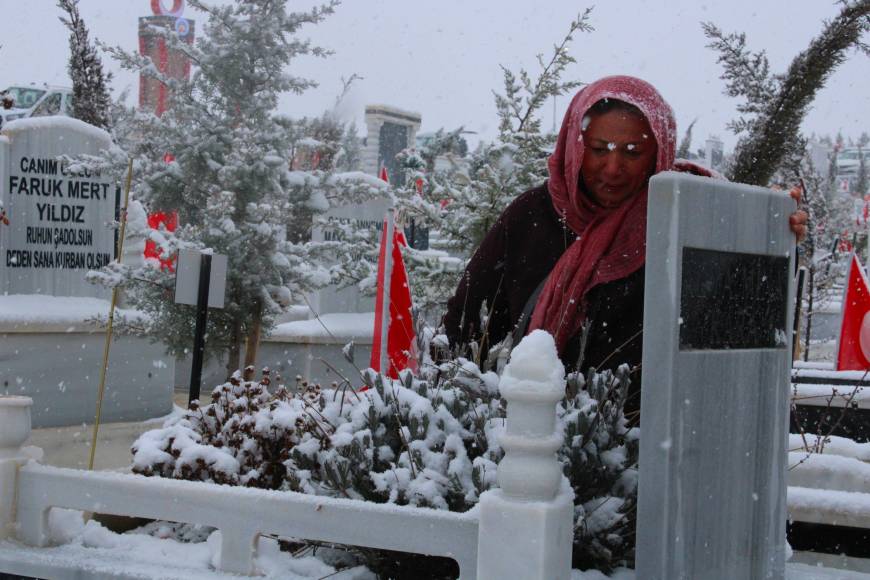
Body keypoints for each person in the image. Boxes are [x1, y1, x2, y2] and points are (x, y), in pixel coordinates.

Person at [442, 75, 807, 421]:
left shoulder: (689, 215)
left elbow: (740, 321)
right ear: (574, 145)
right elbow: (465, 328)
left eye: (633, 152)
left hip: (657, 443)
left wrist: (767, 235)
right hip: (536, 436)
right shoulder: (531, 217)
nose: (612, 167)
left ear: (658, 152)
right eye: (598, 149)